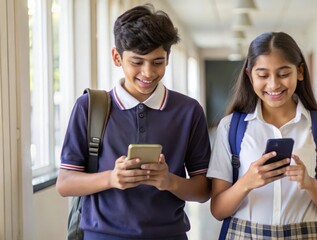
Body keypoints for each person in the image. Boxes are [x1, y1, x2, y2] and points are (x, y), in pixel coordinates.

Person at [56, 4, 211, 240]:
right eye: (137, 62)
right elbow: (65, 184)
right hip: (101, 235)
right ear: (117, 57)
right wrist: (111, 178)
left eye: (157, 62)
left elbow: (203, 190)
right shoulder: (89, 107)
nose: (148, 73)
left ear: (168, 58)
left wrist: (169, 181)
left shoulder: (189, 111)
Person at [207, 32, 317, 239]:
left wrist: (310, 184)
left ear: (300, 72)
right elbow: (218, 210)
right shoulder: (230, 127)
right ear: (250, 76)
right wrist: (246, 182)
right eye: (263, 75)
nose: (274, 84)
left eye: (284, 74)